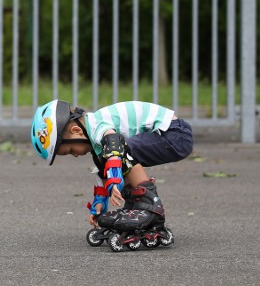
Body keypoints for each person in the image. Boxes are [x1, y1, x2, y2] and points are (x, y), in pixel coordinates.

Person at [30, 99, 193, 234]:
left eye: (71, 150)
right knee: (109, 158)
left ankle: (150, 209)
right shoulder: (97, 143)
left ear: (76, 131)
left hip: (175, 135)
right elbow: (103, 171)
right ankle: (135, 207)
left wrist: (115, 177)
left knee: (121, 150)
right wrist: (98, 205)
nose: (75, 155)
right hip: (166, 136)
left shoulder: (96, 124)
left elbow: (114, 142)